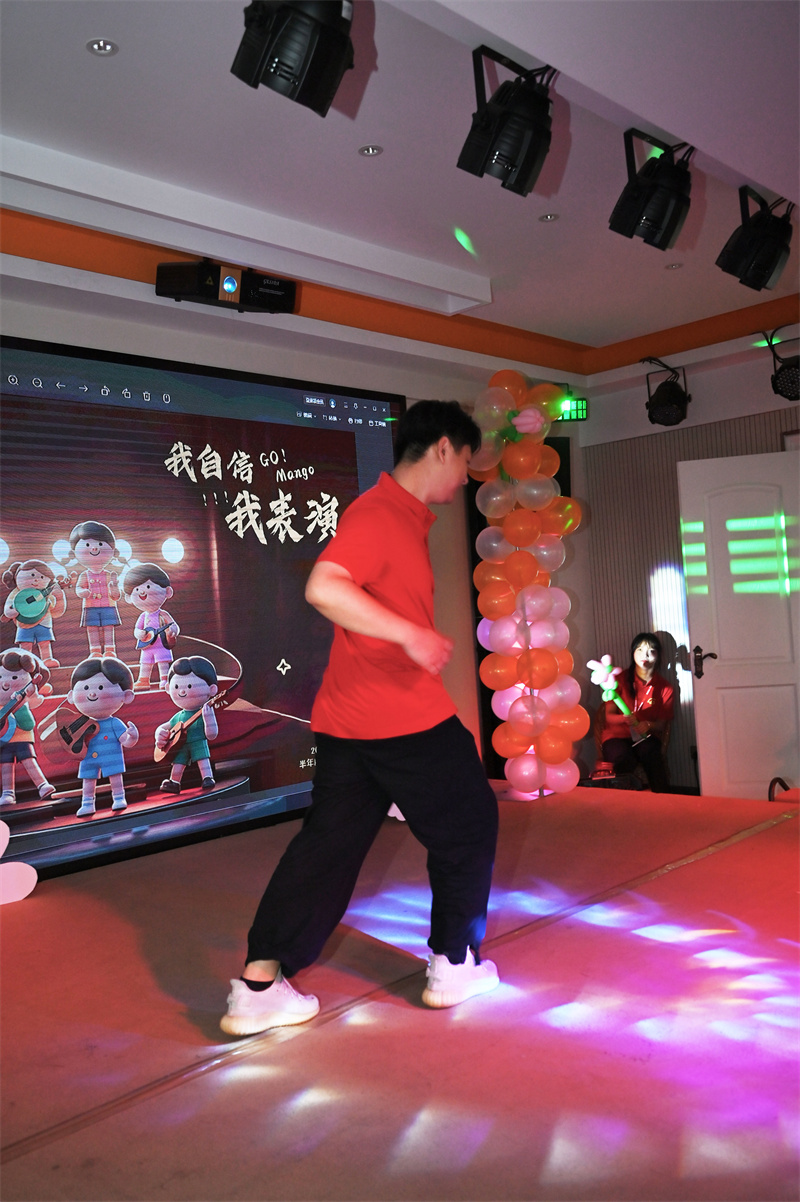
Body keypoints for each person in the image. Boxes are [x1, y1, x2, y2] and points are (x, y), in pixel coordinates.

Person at [221, 401, 500, 1037]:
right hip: (401, 713)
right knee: (469, 825)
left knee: (328, 846)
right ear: (442, 448)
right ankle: (454, 964)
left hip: (349, 720)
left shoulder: (396, 515)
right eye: (464, 461)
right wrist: (411, 635)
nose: (465, 477)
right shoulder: (380, 514)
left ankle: (258, 988)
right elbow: (324, 587)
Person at [596, 632, 674, 792]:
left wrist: (648, 725)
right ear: (633, 653)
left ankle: (663, 799)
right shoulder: (619, 679)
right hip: (616, 736)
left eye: (651, 651)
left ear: (658, 655)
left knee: (651, 754)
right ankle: (622, 801)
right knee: (622, 758)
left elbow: (661, 725)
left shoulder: (665, 687)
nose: (646, 655)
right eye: (640, 650)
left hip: (645, 737)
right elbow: (609, 717)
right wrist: (624, 719)